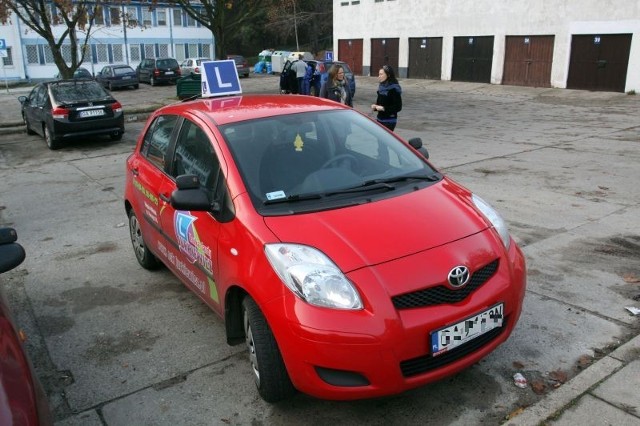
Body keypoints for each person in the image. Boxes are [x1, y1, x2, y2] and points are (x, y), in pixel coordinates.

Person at [370, 65, 402, 131]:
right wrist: (375, 106)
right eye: (379, 74)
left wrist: (384, 108)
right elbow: (379, 103)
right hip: (379, 119)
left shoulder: (394, 88)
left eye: (381, 74)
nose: (379, 76)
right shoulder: (381, 87)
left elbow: (398, 107)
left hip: (389, 121)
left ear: (388, 75)